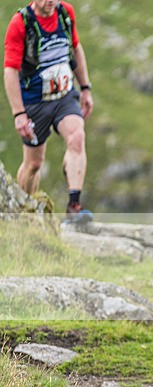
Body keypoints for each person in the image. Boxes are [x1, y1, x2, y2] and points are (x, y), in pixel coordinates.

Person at [3, 0, 93, 222]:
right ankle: (23, 211)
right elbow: (10, 71)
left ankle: (74, 207)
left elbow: (76, 48)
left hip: (64, 97)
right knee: (34, 164)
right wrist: (19, 114)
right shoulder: (21, 23)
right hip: (35, 102)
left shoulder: (65, 13)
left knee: (77, 137)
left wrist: (85, 88)